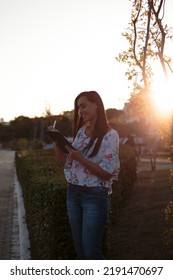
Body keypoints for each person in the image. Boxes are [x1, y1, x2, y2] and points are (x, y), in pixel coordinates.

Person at [49, 91, 120, 259]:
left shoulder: (111, 136)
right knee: (80, 252)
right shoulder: (81, 132)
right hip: (73, 193)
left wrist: (80, 158)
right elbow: (66, 163)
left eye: (83, 106)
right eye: (78, 108)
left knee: (92, 254)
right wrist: (57, 143)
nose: (80, 111)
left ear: (96, 104)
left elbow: (107, 173)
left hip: (94, 196)